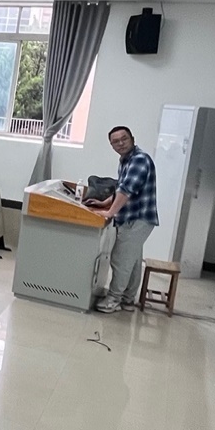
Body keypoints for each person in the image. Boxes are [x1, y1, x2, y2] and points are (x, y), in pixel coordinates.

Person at [86, 126, 160, 314]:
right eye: (115, 141)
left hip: (137, 219)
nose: (120, 143)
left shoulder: (139, 160)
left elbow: (126, 191)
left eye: (124, 139)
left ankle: (113, 299)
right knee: (132, 261)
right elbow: (121, 188)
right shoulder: (126, 160)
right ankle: (127, 300)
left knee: (120, 260)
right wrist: (104, 203)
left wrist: (110, 213)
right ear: (111, 145)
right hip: (134, 217)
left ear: (132, 139)